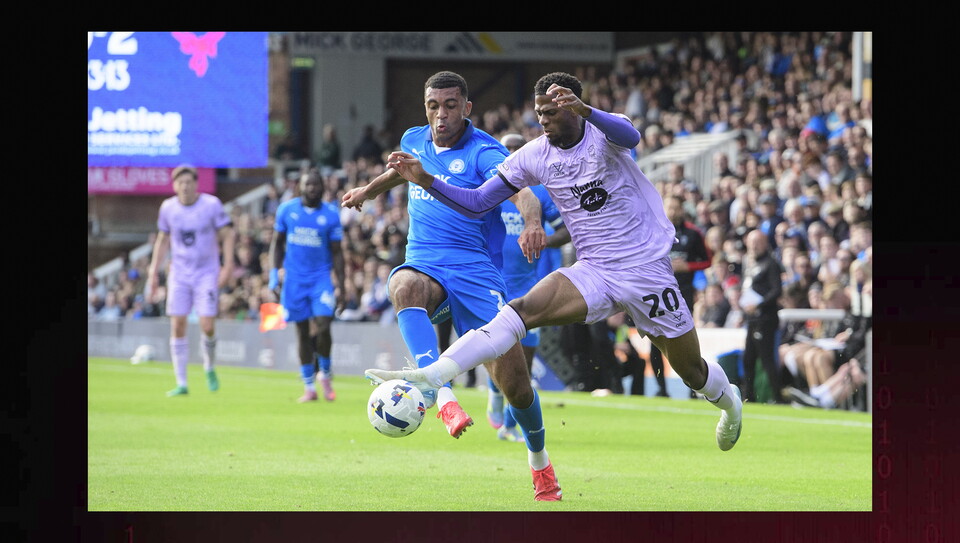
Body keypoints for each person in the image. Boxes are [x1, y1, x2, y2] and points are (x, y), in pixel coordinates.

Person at [368, 72, 745, 499]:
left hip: (647, 271)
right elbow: (477, 203)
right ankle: (435, 376)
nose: (545, 120)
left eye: (554, 111)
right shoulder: (533, 155)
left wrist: (588, 112)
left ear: (574, 107)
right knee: (520, 312)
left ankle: (729, 402)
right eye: (540, 112)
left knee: (691, 372)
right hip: (595, 270)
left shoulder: (605, 134)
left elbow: (633, 135)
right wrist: (428, 181)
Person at [340, 71, 546, 448]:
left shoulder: (484, 152)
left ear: (466, 108)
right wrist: (367, 192)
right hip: (426, 262)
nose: (441, 115)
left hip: (476, 271)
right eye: (433, 106)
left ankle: (539, 459)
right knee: (402, 285)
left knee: (516, 387)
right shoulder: (413, 139)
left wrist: (531, 222)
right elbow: (400, 172)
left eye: (450, 106)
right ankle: (441, 395)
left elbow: (525, 195)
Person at [487, 133, 570, 442]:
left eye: (514, 150)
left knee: (526, 359)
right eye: (504, 150)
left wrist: (543, 239)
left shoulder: (538, 194)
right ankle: (495, 393)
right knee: (499, 356)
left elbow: (567, 230)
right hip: (494, 284)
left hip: (527, 287)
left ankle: (510, 426)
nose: (508, 155)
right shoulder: (490, 190)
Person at [147, 165, 235, 397]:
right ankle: (182, 382)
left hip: (207, 272)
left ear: (196, 184)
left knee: (207, 324)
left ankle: (209, 366)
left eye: (188, 182)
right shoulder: (168, 208)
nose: (185, 186)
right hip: (180, 274)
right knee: (178, 324)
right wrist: (153, 271)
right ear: (175, 185)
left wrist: (227, 265)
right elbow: (163, 240)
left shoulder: (211, 205)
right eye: (180, 183)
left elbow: (228, 234)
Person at [269, 169, 346, 402]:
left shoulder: (331, 214)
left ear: (323, 187)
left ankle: (325, 372)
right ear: (300, 187)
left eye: (316, 184)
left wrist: (342, 284)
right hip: (294, 279)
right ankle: (309, 387)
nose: (312, 188)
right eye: (307, 184)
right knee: (302, 331)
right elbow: (277, 244)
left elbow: (338, 253)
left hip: (320, 279)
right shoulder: (286, 210)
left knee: (323, 325)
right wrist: (274, 275)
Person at [647, 195, 711, 397]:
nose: (673, 212)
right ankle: (661, 389)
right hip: (655, 294)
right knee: (656, 341)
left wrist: (688, 266)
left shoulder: (693, 233)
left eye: (676, 208)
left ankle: (693, 388)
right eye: (670, 208)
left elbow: (708, 260)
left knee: (685, 341)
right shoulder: (653, 229)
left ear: (682, 210)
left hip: (682, 295)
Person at [739, 229, 785, 404]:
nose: (754, 246)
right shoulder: (749, 264)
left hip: (765, 319)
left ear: (765, 243)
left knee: (766, 360)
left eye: (757, 242)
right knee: (748, 359)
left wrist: (758, 304)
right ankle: (748, 396)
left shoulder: (771, 264)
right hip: (752, 319)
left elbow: (776, 290)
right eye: (751, 242)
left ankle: (778, 397)